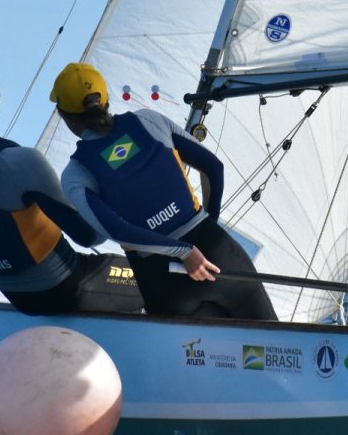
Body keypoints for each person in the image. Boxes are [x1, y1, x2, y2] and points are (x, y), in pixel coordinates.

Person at [50, 62, 277, 321]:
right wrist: (208, 229)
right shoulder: (149, 120)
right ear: (106, 100)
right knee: (273, 348)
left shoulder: (75, 174)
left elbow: (114, 230)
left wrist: (184, 252)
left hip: (161, 278)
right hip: (216, 252)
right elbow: (213, 168)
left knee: (202, 358)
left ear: (64, 116)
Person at [0, 59, 143, 315]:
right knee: (161, 275)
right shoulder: (18, 162)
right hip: (66, 288)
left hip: (16, 297)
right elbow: (89, 236)